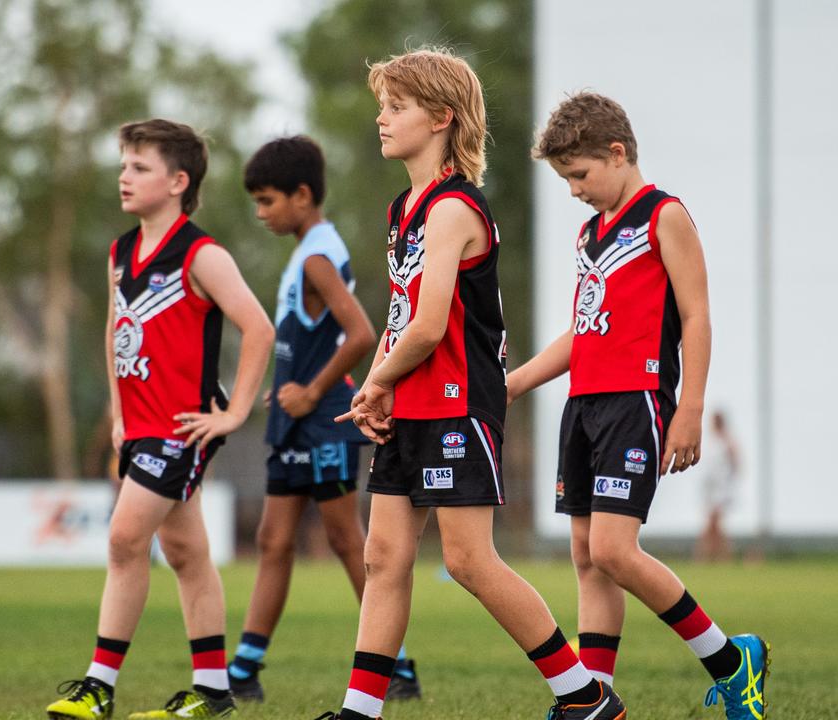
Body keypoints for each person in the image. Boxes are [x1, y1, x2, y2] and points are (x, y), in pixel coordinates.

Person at [318, 49, 625, 720]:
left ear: (441, 119)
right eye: (384, 105)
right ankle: (359, 712)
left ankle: (586, 697)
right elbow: (404, 320)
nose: (382, 118)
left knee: (468, 562)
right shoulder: (404, 207)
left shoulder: (454, 208)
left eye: (397, 106)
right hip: (414, 404)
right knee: (384, 557)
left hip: (459, 408)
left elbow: (428, 330)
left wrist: (372, 383)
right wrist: (385, 392)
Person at [508, 91, 766, 718]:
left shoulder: (664, 216)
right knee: (586, 556)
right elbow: (582, 330)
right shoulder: (589, 234)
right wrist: (515, 383)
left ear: (617, 153)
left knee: (614, 552)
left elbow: (696, 315)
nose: (573, 190)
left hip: (637, 402)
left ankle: (734, 664)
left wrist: (690, 406)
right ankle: (594, 699)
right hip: (584, 406)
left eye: (579, 175)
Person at [45, 118, 273, 720]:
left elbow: (259, 329)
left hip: (181, 429)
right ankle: (214, 694)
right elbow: (117, 329)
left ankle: (99, 687)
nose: (124, 176)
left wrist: (234, 414)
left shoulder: (203, 254)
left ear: (177, 181)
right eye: (123, 165)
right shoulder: (121, 251)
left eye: (139, 167)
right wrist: (118, 413)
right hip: (141, 427)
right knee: (187, 554)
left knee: (124, 539)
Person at [225, 135, 420, 704]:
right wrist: (285, 389)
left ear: (302, 195)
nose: (261, 214)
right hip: (295, 422)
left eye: (267, 201)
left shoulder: (316, 254)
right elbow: (311, 335)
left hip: (324, 423)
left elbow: (361, 331)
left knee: (343, 538)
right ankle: (244, 669)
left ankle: (397, 667)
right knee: (272, 538)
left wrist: (311, 392)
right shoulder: (309, 246)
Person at [696, 411, 739, 562]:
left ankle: (707, 556)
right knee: (714, 524)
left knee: (713, 523)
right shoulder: (712, 441)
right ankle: (718, 556)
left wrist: (729, 483)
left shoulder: (727, 442)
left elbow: (736, 463)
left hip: (721, 489)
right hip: (711, 488)